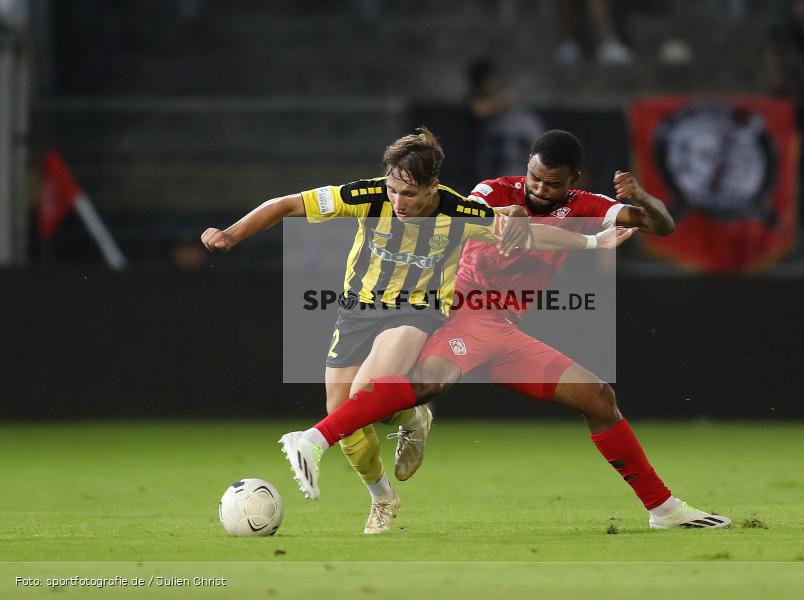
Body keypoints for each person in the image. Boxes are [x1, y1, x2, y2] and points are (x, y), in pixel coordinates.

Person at [282, 130, 732, 530]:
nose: (539, 188)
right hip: (464, 310)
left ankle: (663, 509)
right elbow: (479, 214)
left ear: (572, 180)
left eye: (552, 183)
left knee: (598, 398)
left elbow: (661, 225)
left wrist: (643, 198)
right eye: (534, 177)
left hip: (503, 329)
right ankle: (320, 437)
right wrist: (547, 226)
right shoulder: (495, 190)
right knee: (424, 384)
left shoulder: (586, 206)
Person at [202, 127, 609, 534]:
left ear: (433, 186)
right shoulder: (364, 196)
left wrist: (595, 243)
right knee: (342, 413)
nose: (398, 202)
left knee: (363, 395)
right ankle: (385, 490)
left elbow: (531, 235)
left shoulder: (459, 211)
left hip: (416, 311)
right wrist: (231, 234)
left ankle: (374, 428)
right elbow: (286, 205)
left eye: (410, 194)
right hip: (358, 311)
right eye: (393, 190)